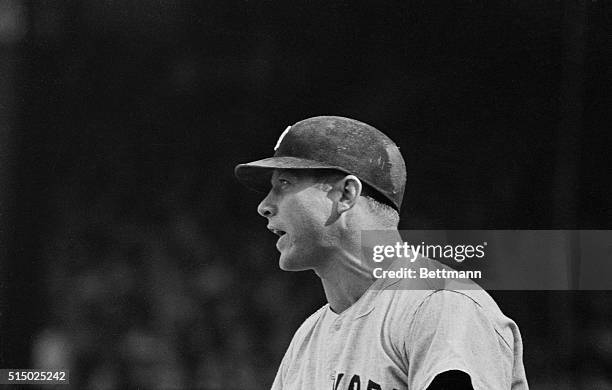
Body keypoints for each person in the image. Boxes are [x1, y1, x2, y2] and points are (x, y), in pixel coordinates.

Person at [234, 116, 528, 389]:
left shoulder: (441, 306)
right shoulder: (307, 339)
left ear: (346, 195)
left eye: (284, 183)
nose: (265, 206)